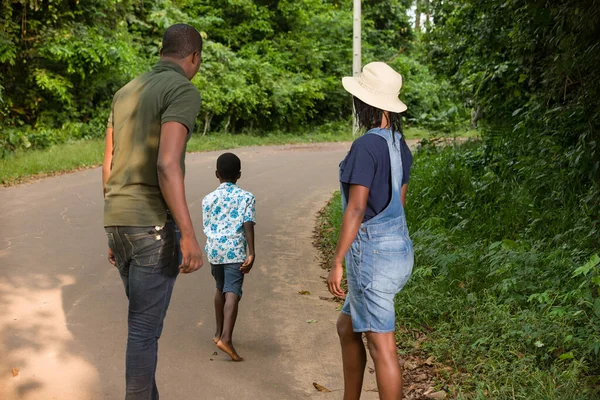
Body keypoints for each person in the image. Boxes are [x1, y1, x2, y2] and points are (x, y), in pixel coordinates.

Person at [102, 23, 204, 399]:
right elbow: (167, 164)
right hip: (151, 226)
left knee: (143, 328)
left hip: (119, 220)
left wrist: (115, 225)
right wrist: (189, 235)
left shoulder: (125, 91)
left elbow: (109, 162)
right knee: (144, 331)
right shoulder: (181, 89)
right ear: (193, 57)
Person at [327, 62, 414, 400]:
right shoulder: (398, 144)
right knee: (346, 327)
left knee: (383, 348)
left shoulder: (365, 147)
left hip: (374, 257)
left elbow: (357, 208)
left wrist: (337, 259)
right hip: (398, 250)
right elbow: (399, 205)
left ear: (364, 103)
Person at [202, 152, 256, 362]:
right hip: (235, 250)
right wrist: (251, 252)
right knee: (232, 291)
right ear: (239, 175)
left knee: (219, 288)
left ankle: (217, 333)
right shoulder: (246, 197)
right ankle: (226, 338)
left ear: (217, 174)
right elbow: (248, 224)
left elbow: (208, 225)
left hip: (215, 251)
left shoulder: (208, 199)